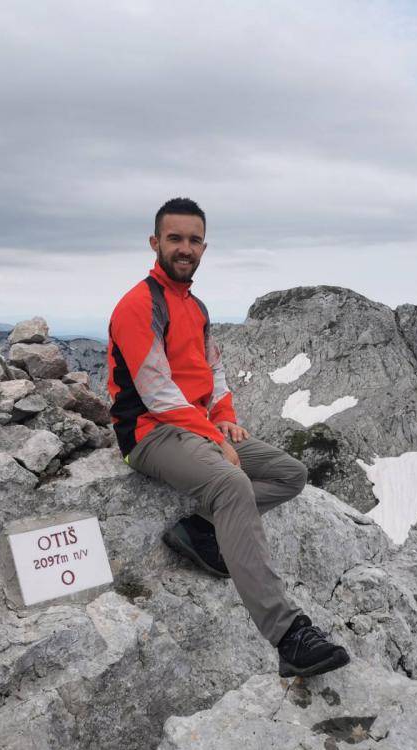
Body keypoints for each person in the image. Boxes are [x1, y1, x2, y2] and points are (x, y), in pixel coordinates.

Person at [105, 196, 350, 678]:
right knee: (231, 483)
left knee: (290, 473)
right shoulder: (140, 305)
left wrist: (223, 418)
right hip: (150, 434)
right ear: (155, 243)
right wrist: (212, 438)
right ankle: (288, 634)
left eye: (194, 240)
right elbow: (156, 391)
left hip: (193, 428)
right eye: (175, 238)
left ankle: (201, 530)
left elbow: (212, 369)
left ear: (204, 247)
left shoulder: (194, 307)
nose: (185, 248)